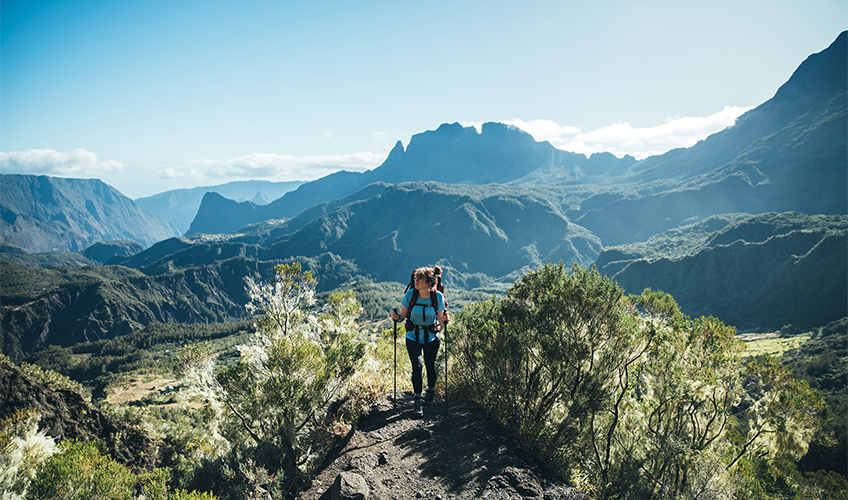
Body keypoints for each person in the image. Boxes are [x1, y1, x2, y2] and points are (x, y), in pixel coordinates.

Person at [391, 265, 449, 416]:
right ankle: (418, 401)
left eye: (420, 279)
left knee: (430, 366)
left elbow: (440, 319)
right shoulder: (411, 295)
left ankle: (430, 391)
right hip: (413, 337)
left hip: (431, 338)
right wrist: (397, 318)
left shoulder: (438, 297)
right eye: (416, 278)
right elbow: (403, 316)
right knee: (417, 366)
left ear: (429, 283)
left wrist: (444, 320)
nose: (416, 281)